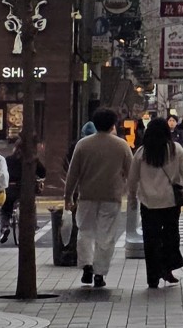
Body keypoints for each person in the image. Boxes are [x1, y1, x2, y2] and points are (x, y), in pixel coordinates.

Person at [64, 108, 134, 289]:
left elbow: (73, 173)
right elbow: (132, 173)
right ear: (113, 125)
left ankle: (86, 265)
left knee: (85, 231)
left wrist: (68, 196)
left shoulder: (83, 144)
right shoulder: (121, 145)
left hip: (87, 196)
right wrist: (132, 194)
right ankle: (99, 273)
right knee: (106, 236)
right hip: (111, 196)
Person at [128, 117, 183, 289]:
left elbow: (132, 180)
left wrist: (132, 200)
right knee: (171, 237)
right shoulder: (176, 149)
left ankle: (152, 277)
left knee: (150, 239)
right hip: (170, 202)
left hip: (148, 203)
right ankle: (167, 269)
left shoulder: (142, 153)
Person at [1, 136, 46, 244]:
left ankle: (5, 227)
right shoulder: (32, 160)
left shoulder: (8, 159)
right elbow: (42, 173)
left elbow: (3, 174)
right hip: (26, 190)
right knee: (31, 207)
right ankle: (34, 226)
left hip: (10, 189)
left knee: (5, 210)